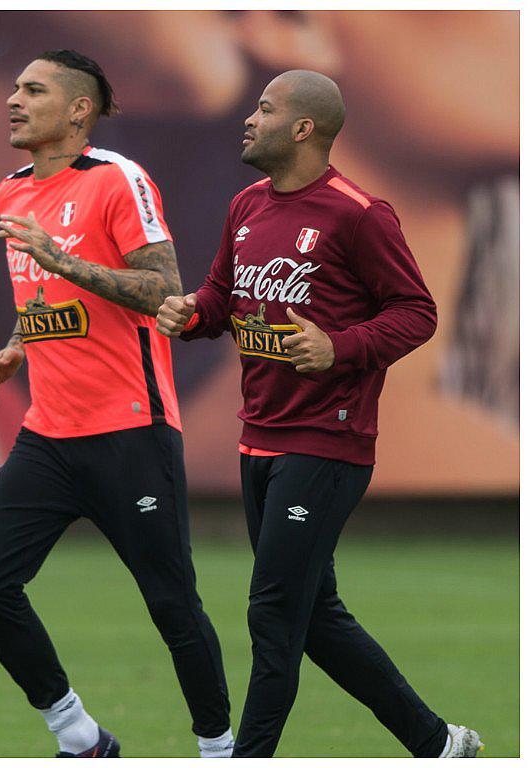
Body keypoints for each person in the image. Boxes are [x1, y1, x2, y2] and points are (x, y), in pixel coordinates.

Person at [156, 69, 483, 758]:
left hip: (327, 443)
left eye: (266, 108)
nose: (249, 117)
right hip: (260, 437)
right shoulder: (246, 204)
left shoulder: (360, 214)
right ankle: (436, 743)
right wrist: (193, 314)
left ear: (304, 128)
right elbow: (223, 296)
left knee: (274, 611)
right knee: (316, 616)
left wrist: (340, 347)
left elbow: (415, 313)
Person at [0, 50, 233, 758]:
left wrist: (63, 261)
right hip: (48, 436)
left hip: (131, 433)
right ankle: (78, 734)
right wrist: (20, 340)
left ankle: (221, 749)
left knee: (172, 606)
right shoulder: (10, 191)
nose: (14, 99)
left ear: (78, 110)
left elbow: (163, 287)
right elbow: (50, 295)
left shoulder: (118, 180)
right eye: (13, 86)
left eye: (34, 90)